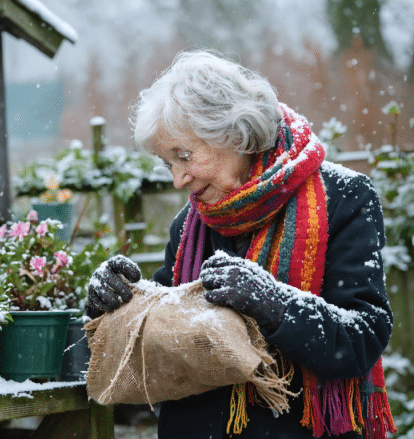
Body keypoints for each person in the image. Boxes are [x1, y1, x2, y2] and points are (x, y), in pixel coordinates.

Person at [87, 50, 396, 439]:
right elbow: (163, 345)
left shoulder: (343, 197)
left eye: (184, 156)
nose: (178, 180)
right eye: (168, 164)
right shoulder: (189, 224)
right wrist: (121, 303)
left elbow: (363, 335)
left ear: (234, 133)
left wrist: (274, 303)